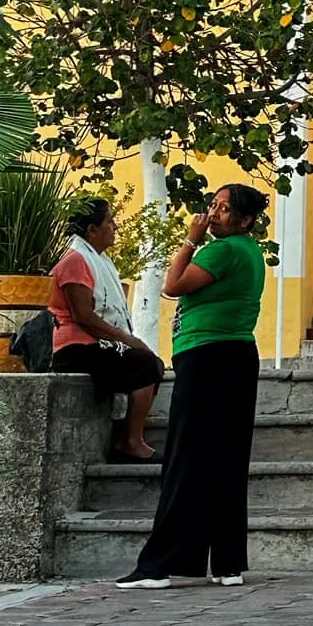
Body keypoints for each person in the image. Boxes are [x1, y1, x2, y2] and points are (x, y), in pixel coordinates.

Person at [116, 183, 269, 589]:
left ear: (245, 220)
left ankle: (158, 566)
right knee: (226, 459)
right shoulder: (250, 251)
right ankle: (227, 563)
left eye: (224, 208)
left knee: (186, 458)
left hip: (209, 358)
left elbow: (173, 285)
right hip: (234, 356)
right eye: (213, 205)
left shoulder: (222, 250)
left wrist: (190, 240)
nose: (214, 213)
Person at [49, 195, 164, 461]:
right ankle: (131, 442)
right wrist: (128, 340)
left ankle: (129, 438)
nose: (116, 227)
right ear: (92, 230)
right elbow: (83, 316)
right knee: (146, 364)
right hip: (75, 349)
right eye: (110, 222)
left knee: (151, 363)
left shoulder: (97, 260)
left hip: (95, 345)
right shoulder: (75, 260)